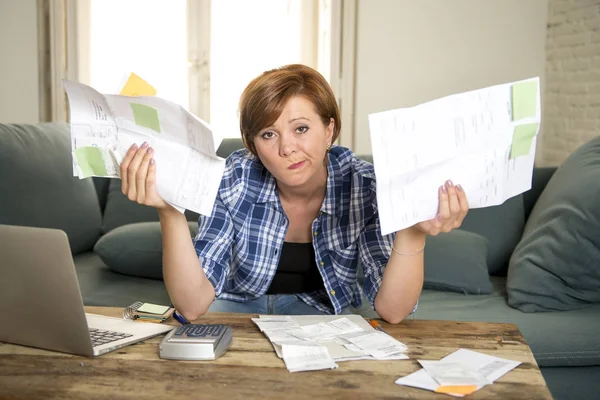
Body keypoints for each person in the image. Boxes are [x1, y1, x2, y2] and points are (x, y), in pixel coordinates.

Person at [120, 64, 469, 324]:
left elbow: (393, 312)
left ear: (329, 129)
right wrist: (170, 212)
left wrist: (412, 232)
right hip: (237, 305)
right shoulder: (232, 178)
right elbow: (193, 305)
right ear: (252, 145)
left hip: (325, 311)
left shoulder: (365, 185)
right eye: (268, 135)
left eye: (301, 128)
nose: (287, 148)